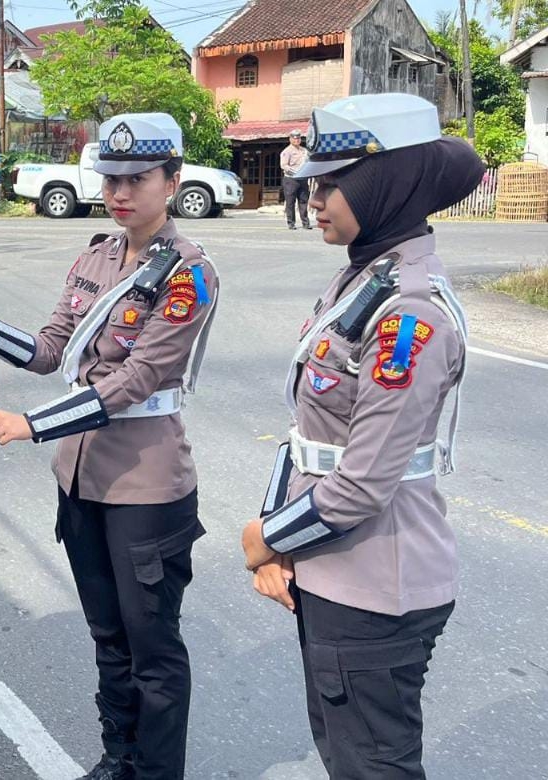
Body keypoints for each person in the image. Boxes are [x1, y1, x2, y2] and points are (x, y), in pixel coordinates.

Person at [0, 113, 219, 780]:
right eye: (110, 178)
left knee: (152, 651)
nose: (119, 192)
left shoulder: (189, 274)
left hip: (145, 488)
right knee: (108, 638)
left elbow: (135, 380)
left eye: (137, 179)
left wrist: (30, 424)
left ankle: (156, 773)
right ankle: (118, 758)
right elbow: (50, 350)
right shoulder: (95, 256)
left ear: (172, 181)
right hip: (81, 479)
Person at [240, 93, 484, 779]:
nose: (314, 198)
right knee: (346, 755)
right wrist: (279, 540)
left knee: (373, 767)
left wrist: (266, 537)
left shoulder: (409, 315)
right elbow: (309, 437)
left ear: (385, 183)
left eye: (332, 183)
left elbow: (363, 484)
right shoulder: (365, 278)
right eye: (313, 182)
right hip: (333, 566)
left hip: (375, 586)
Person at [281, 129, 313, 230]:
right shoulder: (287, 151)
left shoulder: (304, 151)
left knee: (303, 200)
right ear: (290, 139)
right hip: (291, 179)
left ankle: (305, 223)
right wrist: (296, 172)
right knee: (290, 202)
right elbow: (284, 165)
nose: (297, 140)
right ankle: (291, 223)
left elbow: (308, 161)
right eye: (294, 138)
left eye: (298, 138)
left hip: (302, 178)